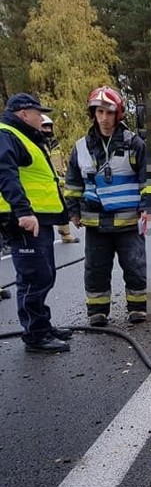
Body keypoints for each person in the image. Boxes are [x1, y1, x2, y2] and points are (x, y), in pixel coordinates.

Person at [65, 86, 149, 326]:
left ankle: (137, 308)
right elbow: (72, 182)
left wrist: (146, 207)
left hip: (128, 221)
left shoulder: (134, 144)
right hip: (95, 223)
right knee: (96, 269)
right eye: (99, 112)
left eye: (109, 112)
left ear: (117, 114)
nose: (104, 118)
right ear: (93, 114)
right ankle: (97, 311)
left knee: (135, 265)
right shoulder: (81, 147)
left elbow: (147, 180)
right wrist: (73, 211)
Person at [0, 93, 72, 352]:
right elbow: (5, 175)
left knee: (45, 273)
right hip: (24, 219)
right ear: (23, 113)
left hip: (37, 217)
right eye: (37, 112)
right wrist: (23, 211)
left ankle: (42, 324)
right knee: (33, 276)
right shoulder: (7, 134)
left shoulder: (23, 136)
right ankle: (35, 334)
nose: (41, 117)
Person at [40, 115, 79, 244]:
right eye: (44, 127)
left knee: (62, 207)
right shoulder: (37, 143)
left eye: (48, 126)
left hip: (57, 181)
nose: (47, 130)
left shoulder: (54, 143)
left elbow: (59, 162)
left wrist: (63, 177)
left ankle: (66, 234)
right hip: (42, 183)